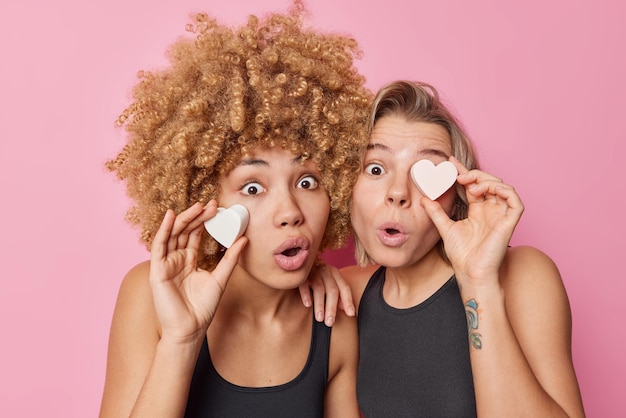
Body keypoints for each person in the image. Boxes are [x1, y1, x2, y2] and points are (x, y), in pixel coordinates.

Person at [98, 2, 372, 417]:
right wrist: (181, 340)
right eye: (252, 187)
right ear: (207, 203)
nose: (290, 211)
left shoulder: (334, 320)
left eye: (307, 182)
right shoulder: (152, 295)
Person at [317, 80, 585, 417]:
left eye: (422, 173)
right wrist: (310, 274)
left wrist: (479, 282)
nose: (398, 192)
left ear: (456, 195)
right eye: (375, 168)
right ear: (346, 189)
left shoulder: (524, 275)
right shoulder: (344, 294)